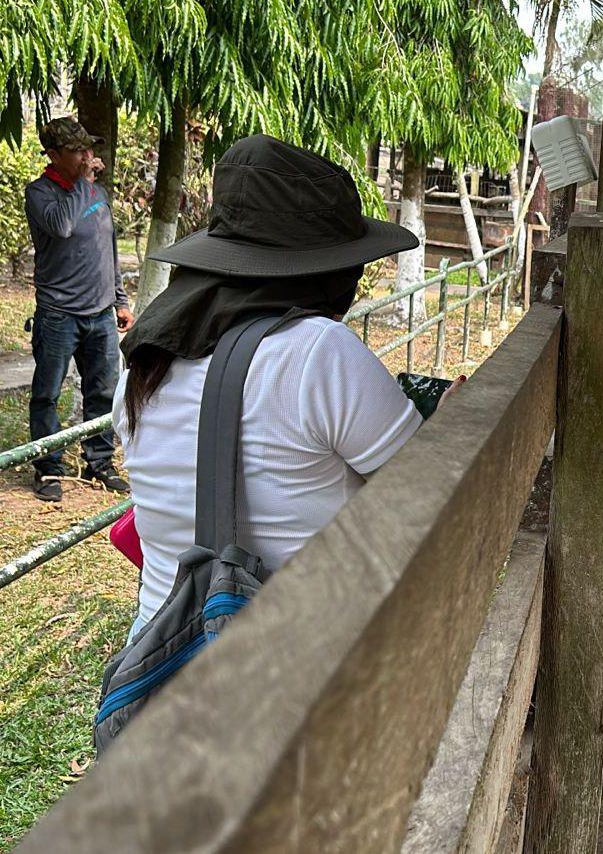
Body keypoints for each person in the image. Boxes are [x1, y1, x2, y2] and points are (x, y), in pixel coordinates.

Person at [114, 134, 451, 637]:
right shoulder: (318, 352)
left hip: (160, 665)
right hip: (294, 672)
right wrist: (451, 423)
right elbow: (429, 496)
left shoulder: (143, 365)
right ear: (329, 269)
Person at [25, 117, 135, 501]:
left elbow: (109, 249)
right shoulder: (40, 193)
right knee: (47, 393)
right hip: (58, 314)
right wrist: (83, 184)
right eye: (78, 150)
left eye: (89, 148)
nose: (88, 156)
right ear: (54, 156)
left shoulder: (97, 193)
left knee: (104, 392)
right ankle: (48, 468)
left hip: (101, 312)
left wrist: (119, 298)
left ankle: (100, 463)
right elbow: (62, 227)